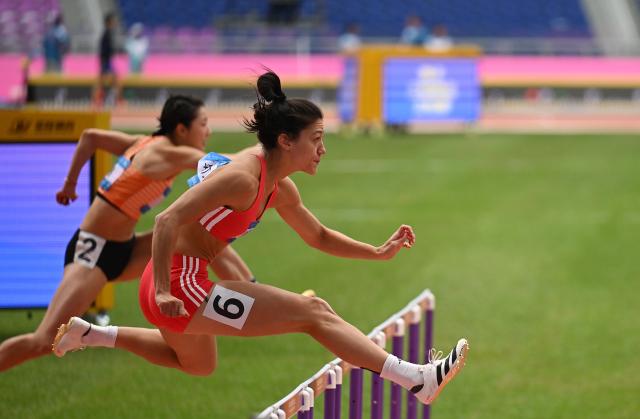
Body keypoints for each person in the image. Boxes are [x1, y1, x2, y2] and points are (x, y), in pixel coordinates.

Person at [53, 71, 468, 405]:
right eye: (317, 140)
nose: (323, 150)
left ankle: (92, 334)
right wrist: (163, 289)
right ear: (286, 141)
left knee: (198, 365)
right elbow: (166, 220)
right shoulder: (242, 178)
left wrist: (377, 252)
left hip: (176, 289)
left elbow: (318, 235)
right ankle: (416, 379)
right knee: (313, 311)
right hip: (177, 283)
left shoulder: (280, 186)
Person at [0, 95, 255, 372]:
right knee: (45, 340)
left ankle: (255, 294)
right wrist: (267, 145)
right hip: (93, 253)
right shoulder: (167, 152)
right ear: (181, 129)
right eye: (203, 124)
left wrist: (70, 184)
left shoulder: (142, 143)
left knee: (198, 241)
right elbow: (227, 162)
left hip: (125, 249)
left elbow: (90, 137)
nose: (209, 131)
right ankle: (256, 298)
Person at [94, 12, 120, 106]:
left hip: (106, 61)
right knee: (107, 81)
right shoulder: (106, 33)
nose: (115, 22)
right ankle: (116, 100)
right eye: (113, 20)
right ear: (109, 22)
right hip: (106, 61)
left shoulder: (107, 33)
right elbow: (105, 49)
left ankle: (100, 100)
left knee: (109, 81)